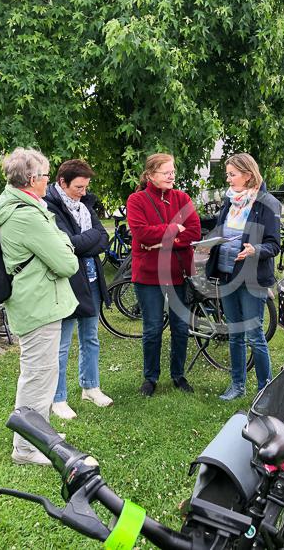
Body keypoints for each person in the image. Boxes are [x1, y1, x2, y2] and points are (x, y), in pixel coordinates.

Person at [0, 148, 78, 466]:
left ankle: (39, 433)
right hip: (38, 304)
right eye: (44, 175)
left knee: (41, 373)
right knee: (37, 376)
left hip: (38, 301)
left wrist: (58, 247)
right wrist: (65, 245)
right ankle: (26, 448)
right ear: (30, 179)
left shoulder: (21, 206)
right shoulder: (26, 215)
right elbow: (67, 262)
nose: (48, 181)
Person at [205, 153, 281, 400]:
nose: (228, 179)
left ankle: (264, 390)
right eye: (227, 174)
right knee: (234, 333)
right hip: (227, 274)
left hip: (251, 278)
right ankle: (237, 386)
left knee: (254, 334)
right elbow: (221, 229)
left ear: (248, 175)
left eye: (232, 174)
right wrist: (209, 241)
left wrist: (254, 250)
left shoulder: (267, 203)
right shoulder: (230, 201)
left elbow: (274, 244)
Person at [126, 153, 201, 397]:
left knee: (180, 327)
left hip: (178, 274)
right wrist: (173, 229)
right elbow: (141, 233)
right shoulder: (137, 200)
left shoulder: (182, 198)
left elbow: (194, 231)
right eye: (166, 172)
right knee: (153, 328)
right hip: (148, 276)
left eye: (173, 172)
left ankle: (178, 375)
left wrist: (164, 241)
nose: (171, 176)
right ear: (150, 175)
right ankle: (151, 377)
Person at [43, 159, 113, 418]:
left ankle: (90, 387)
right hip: (68, 283)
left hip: (92, 280)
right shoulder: (50, 207)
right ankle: (58, 398)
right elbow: (65, 245)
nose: (83, 192)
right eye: (78, 187)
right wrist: (88, 240)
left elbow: (103, 238)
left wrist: (85, 242)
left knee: (90, 337)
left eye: (86, 187)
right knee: (62, 343)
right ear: (62, 183)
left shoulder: (85, 204)